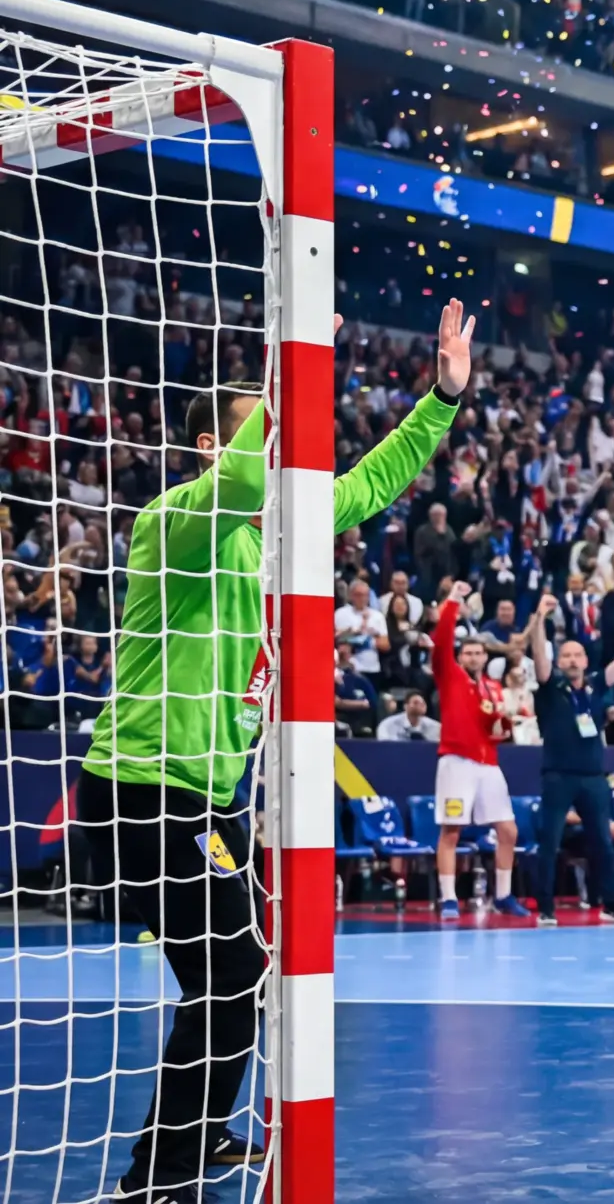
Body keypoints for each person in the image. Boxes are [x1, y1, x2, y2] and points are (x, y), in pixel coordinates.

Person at [74, 298, 470, 1196]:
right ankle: (160, 1175)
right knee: (227, 976)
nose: (277, 442)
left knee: (236, 977)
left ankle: (196, 1139)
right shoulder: (174, 523)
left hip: (204, 798)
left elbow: (370, 482)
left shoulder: (275, 533)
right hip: (140, 788)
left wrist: (441, 399)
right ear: (214, 447)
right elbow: (252, 478)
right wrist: (298, 366)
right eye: (259, 426)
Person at [526, 591, 614, 926]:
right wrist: (539, 620)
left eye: (578, 655)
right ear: (560, 662)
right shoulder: (549, 687)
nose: (573, 660)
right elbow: (539, 658)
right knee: (550, 840)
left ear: (586, 661)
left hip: (593, 777)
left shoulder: (595, 687)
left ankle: (611, 903)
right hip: (558, 775)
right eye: (567, 656)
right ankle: (546, 906)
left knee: (602, 842)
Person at [429, 581, 528, 920]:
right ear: (459, 657)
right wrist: (453, 602)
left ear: (486, 657)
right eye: (467, 652)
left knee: (508, 830)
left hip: (489, 764)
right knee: (451, 831)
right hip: (456, 763)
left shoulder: (494, 688)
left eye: (478, 653)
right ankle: (447, 899)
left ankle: (503, 895)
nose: (473, 657)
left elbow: (497, 732)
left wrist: (507, 724)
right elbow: (441, 641)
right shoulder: (449, 675)